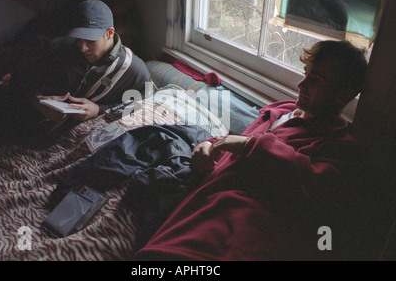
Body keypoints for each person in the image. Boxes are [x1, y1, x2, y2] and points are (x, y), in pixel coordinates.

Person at [134, 40, 370, 260]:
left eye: (315, 80)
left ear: (344, 94)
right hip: (200, 205)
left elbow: (318, 187)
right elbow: (239, 140)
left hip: (237, 229)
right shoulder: (280, 111)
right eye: (305, 74)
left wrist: (249, 146)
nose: (301, 85)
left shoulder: (339, 145)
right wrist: (208, 144)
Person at [0, 0, 150, 157]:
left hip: (31, 133)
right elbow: (19, 80)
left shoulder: (133, 69)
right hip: (14, 110)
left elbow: (142, 104)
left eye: (90, 41)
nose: (82, 48)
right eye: (79, 39)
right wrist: (38, 101)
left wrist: (98, 110)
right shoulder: (60, 48)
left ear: (109, 33)